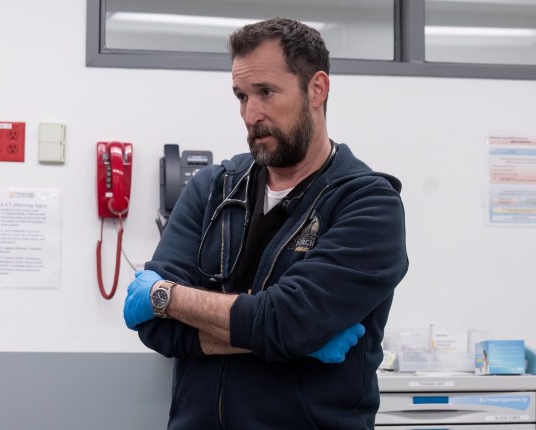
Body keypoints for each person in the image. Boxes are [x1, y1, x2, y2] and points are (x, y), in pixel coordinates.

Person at [123, 17, 409, 430]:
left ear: (317, 89)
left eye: (266, 93)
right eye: (241, 96)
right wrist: (288, 338)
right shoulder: (213, 188)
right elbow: (157, 331)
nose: (250, 113)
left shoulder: (368, 204)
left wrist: (164, 295)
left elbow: (286, 322)